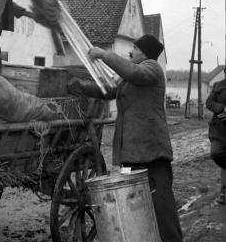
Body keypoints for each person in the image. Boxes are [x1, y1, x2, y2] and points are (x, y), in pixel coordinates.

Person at [68, 34, 183, 242]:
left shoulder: (152, 69)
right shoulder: (132, 77)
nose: (132, 51)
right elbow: (110, 91)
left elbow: (131, 71)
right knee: (136, 204)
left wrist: (104, 54)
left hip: (151, 153)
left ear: (146, 53)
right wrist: (83, 87)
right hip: (131, 153)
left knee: (161, 207)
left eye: (136, 48)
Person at [205, 66, 226, 205]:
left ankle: (223, 193)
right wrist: (222, 109)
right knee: (216, 153)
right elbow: (209, 102)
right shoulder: (218, 86)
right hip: (219, 129)